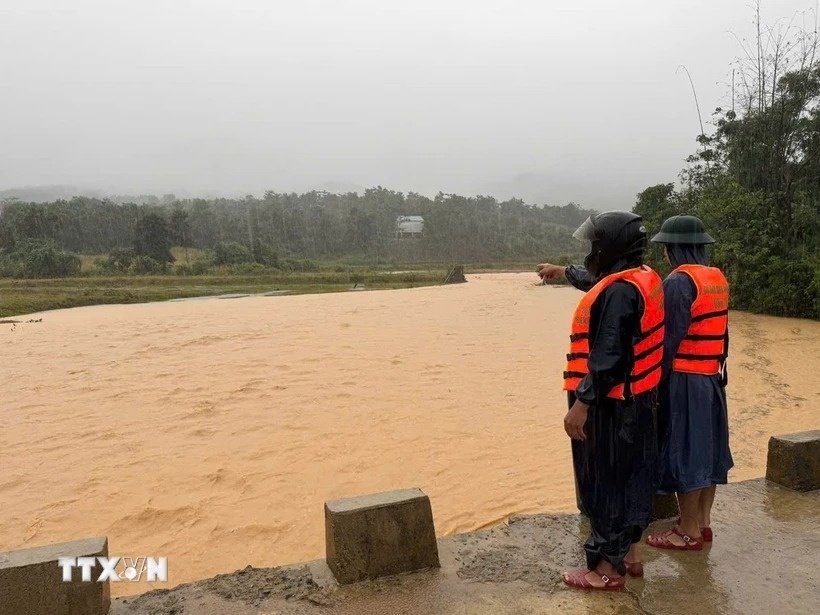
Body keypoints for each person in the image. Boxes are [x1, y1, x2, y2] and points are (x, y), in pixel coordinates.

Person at [550, 211, 664, 591]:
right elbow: (597, 282)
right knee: (631, 480)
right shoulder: (640, 278)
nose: (591, 252)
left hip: (611, 406)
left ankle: (604, 572)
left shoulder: (618, 293)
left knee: (605, 485)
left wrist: (582, 403)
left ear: (610, 247)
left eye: (595, 245)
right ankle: (629, 556)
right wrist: (563, 272)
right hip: (638, 400)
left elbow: (608, 358)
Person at [645, 215, 733, 551]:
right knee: (709, 452)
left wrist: (655, 384)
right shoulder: (716, 278)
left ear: (674, 249)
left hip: (685, 380)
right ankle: (703, 523)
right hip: (712, 378)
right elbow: (722, 333)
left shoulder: (679, 283)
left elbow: (667, 341)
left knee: (687, 452)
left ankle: (687, 531)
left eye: (666, 248)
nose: (665, 254)